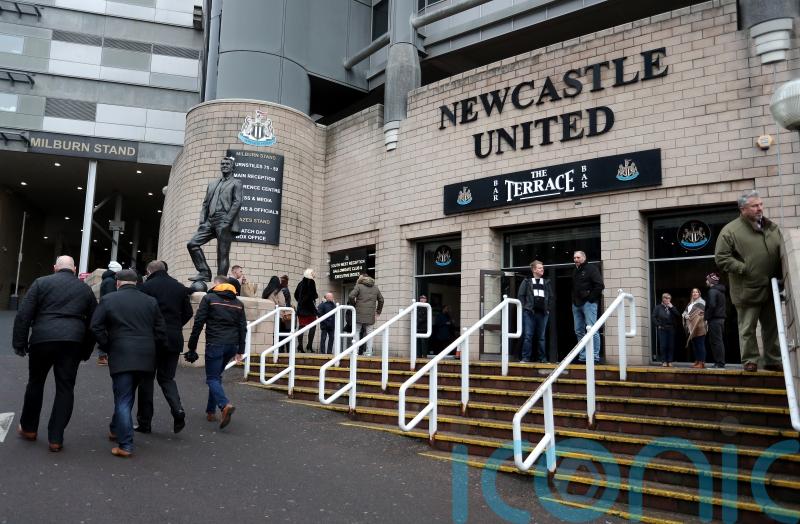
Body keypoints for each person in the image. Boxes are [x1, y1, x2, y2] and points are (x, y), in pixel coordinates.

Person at [12, 255, 97, 452]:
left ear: (54, 268)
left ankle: (29, 429)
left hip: (43, 338)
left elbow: (24, 314)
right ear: (74, 269)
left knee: (35, 382)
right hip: (72, 342)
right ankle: (56, 438)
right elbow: (94, 322)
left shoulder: (41, 283)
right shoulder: (85, 289)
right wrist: (86, 349)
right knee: (65, 388)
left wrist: (20, 342)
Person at [90, 269, 168, 458]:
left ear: (117, 282)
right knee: (128, 395)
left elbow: (95, 326)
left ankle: (125, 444)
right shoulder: (150, 301)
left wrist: (108, 345)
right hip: (146, 355)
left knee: (123, 398)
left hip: (121, 352)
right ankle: (115, 429)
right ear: (137, 282)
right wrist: (152, 348)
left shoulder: (109, 300)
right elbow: (160, 330)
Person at [715, 190, 783, 372]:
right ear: (743, 209)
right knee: (747, 327)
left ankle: (772, 360)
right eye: (755, 206)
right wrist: (744, 269)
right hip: (746, 289)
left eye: (760, 204)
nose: (760, 208)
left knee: (772, 327)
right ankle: (750, 360)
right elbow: (721, 258)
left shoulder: (772, 227)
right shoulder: (730, 231)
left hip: (771, 287)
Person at [137, 260, 193, 434]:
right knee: (167, 378)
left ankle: (145, 423)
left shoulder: (146, 288)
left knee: (146, 380)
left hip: (151, 338)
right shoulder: (179, 287)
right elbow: (188, 313)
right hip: (174, 337)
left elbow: (142, 312)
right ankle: (178, 410)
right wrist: (175, 326)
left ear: (149, 271)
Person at [186, 275, 247, 428]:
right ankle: (210, 411)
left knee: (212, 378)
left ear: (216, 284)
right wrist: (241, 350)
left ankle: (224, 405)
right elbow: (242, 328)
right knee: (216, 377)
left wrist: (191, 347)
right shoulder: (238, 303)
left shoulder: (209, 299)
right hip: (231, 345)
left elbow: (198, 323)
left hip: (215, 343)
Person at [186, 156, 243, 283]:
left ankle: (221, 281)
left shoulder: (236, 182)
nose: (224, 165)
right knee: (192, 244)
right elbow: (205, 204)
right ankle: (204, 272)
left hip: (224, 220)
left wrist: (227, 221)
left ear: (233, 167)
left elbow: (237, 202)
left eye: (227, 164)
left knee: (222, 254)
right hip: (210, 221)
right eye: (222, 164)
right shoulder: (212, 184)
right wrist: (203, 221)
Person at [571, 251, 604, 363]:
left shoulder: (591, 268)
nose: (576, 259)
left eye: (578, 257)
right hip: (576, 304)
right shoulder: (575, 270)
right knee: (579, 330)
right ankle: (583, 356)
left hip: (589, 304)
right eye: (574, 257)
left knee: (592, 330)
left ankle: (594, 357)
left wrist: (590, 298)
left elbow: (600, 285)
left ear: (584, 258)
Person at [517, 260, 553, 363]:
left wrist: (548, 309)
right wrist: (525, 308)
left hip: (543, 313)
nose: (542, 269)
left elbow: (551, 297)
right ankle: (525, 358)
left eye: (542, 268)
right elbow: (521, 296)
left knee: (541, 337)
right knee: (528, 336)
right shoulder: (527, 281)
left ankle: (543, 359)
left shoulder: (546, 282)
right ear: (534, 270)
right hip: (529, 313)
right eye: (540, 268)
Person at [348, 273, 384, 357]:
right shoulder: (375, 288)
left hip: (359, 312)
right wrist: (378, 311)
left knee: (356, 331)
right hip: (370, 313)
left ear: (361, 278)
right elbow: (381, 300)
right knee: (370, 332)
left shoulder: (359, 286)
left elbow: (351, 296)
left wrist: (354, 305)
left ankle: (355, 351)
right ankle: (369, 352)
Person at [97, 260, 122, 365]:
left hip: (105, 308)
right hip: (109, 310)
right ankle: (102, 356)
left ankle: (103, 356)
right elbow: (111, 297)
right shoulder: (110, 282)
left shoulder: (107, 280)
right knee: (108, 332)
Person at [651, 292, 680, 367]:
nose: (667, 300)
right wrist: (658, 325)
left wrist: (672, 307)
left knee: (670, 345)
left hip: (671, 329)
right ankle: (663, 361)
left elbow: (678, 315)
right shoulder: (658, 307)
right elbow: (653, 317)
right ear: (663, 299)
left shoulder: (671, 307)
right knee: (663, 345)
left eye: (669, 298)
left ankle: (669, 361)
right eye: (666, 298)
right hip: (662, 328)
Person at [705, 272, 727, 369]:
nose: (706, 281)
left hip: (715, 319)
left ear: (711, 281)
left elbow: (712, 305)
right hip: (720, 319)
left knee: (715, 341)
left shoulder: (712, 291)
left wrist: (706, 316)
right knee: (719, 341)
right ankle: (720, 362)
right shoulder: (721, 291)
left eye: (707, 280)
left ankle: (719, 363)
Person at [294, 269, 319, 352]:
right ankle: (309, 345)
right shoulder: (311, 282)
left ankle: (300, 346)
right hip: (310, 309)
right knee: (313, 326)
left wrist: (301, 301)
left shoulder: (300, 283)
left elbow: (295, 295)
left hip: (301, 308)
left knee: (301, 326)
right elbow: (313, 295)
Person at [683, 287, 707, 369]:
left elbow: (700, 313)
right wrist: (686, 315)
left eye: (696, 292)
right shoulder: (690, 303)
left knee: (700, 344)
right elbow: (684, 312)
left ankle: (702, 362)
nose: (695, 293)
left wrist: (690, 316)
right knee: (695, 345)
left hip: (699, 326)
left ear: (699, 294)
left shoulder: (702, 302)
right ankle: (697, 361)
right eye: (693, 292)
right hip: (691, 327)